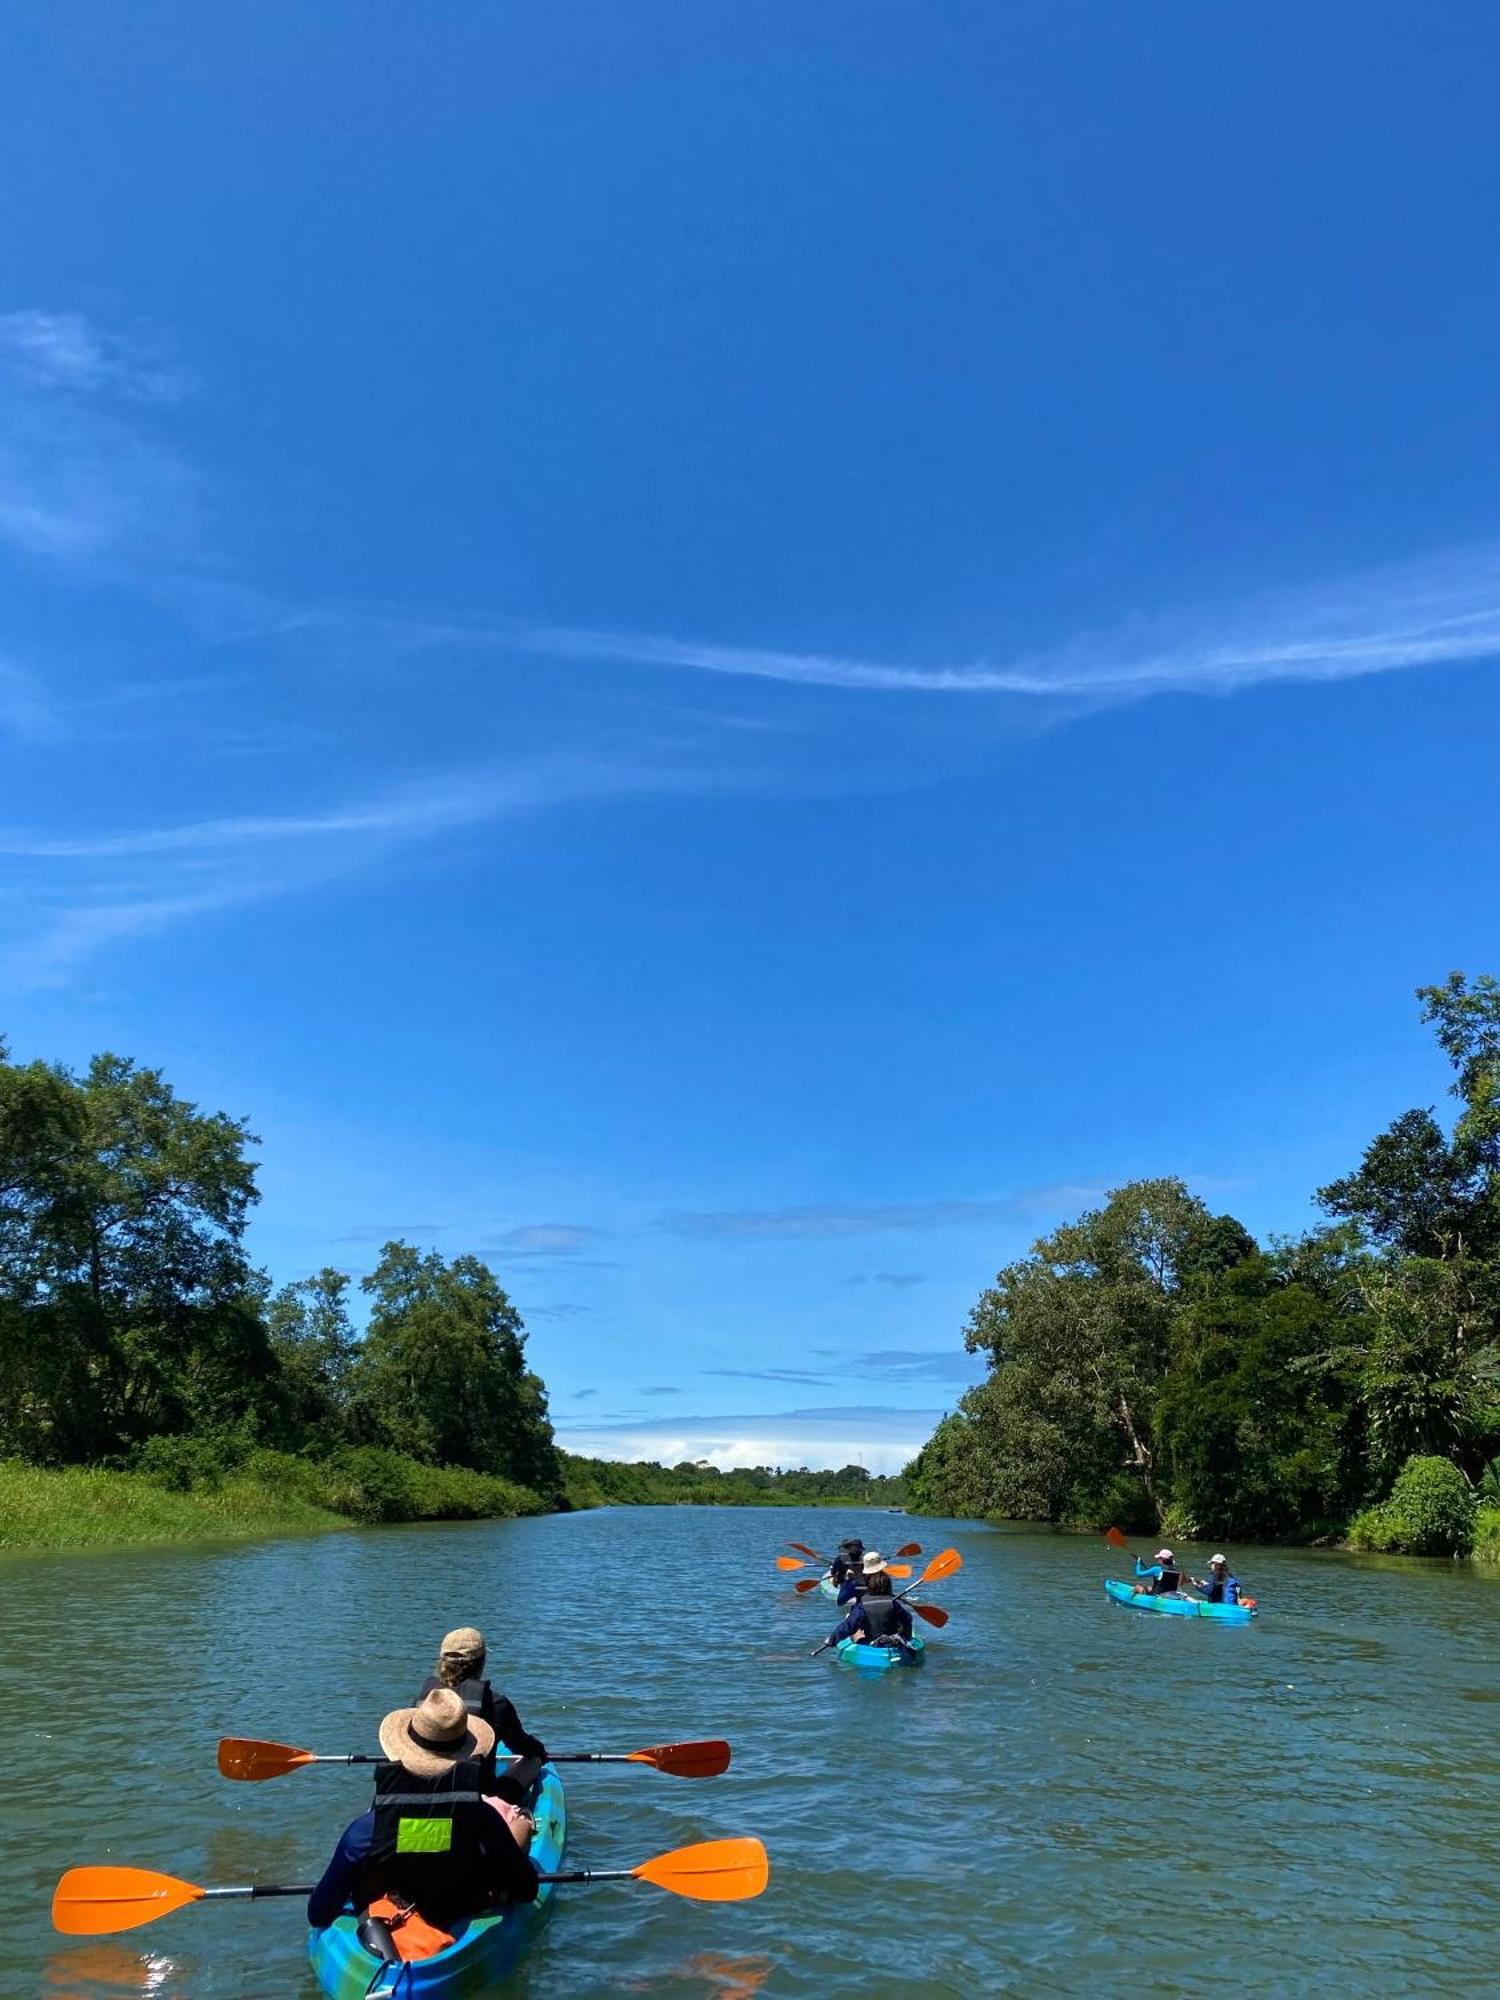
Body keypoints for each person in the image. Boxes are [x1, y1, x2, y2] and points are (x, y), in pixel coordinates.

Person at [307, 1687, 540, 1936]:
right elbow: (526, 1890)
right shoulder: (483, 1820)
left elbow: (318, 1913)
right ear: (465, 1754)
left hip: (388, 1920)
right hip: (461, 1908)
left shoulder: (365, 1832)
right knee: (521, 1823)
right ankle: (525, 1820)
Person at [415, 1625, 545, 1845]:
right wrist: (540, 1752)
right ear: (481, 1663)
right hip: (478, 1801)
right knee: (533, 1761)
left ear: (441, 1662)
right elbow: (523, 1747)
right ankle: (521, 1818)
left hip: (423, 1799)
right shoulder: (496, 1704)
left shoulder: (424, 1706)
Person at [819, 1551, 914, 1653]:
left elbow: (849, 1625)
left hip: (873, 1646)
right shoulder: (894, 1604)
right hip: (894, 1644)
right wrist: (905, 1636)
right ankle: (894, 1640)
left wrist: (832, 1640)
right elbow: (907, 1618)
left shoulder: (862, 1606)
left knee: (857, 1633)